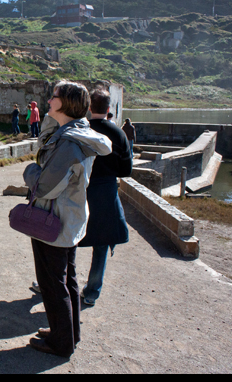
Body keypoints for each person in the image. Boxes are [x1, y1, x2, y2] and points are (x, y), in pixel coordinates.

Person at [23, 80, 112, 358]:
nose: (49, 101)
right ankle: (68, 333)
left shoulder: (69, 144)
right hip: (68, 217)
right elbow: (48, 140)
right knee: (67, 279)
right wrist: (52, 119)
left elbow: (45, 186)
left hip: (54, 220)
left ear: (67, 103)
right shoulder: (74, 134)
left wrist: (29, 171)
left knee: (52, 283)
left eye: (55, 97)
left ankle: (61, 344)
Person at [78, 88, 132, 306]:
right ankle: (91, 292)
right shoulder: (119, 134)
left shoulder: (81, 130)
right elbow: (126, 170)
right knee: (101, 244)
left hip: (80, 190)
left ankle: (60, 284)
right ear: (109, 109)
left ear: (89, 107)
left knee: (68, 239)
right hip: (107, 193)